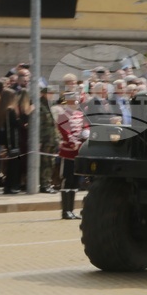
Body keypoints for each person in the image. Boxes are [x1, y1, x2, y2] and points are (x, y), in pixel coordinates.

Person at [57, 91, 87, 219]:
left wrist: (86, 133)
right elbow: (65, 131)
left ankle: (72, 210)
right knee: (67, 180)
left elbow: (86, 126)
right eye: (74, 99)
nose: (76, 101)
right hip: (68, 152)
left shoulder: (80, 114)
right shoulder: (63, 115)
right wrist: (72, 142)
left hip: (78, 151)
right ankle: (65, 211)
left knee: (75, 182)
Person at [0, 88, 23, 194]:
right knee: (13, 166)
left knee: (13, 165)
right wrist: (10, 146)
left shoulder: (6, 110)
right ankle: (9, 186)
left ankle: (11, 186)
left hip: (12, 143)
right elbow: (11, 128)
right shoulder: (9, 110)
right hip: (13, 144)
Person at [39, 85, 60, 193]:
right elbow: (38, 125)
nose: (52, 95)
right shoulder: (40, 106)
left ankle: (47, 183)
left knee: (50, 163)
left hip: (51, 139)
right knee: (45, 163)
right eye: (50, 93)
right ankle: (44, 184)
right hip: (45, 139)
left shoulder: (49, 106)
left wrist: (57, 138)